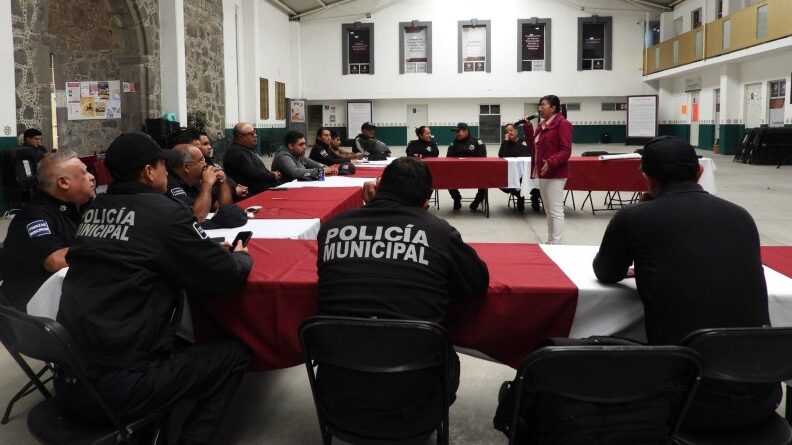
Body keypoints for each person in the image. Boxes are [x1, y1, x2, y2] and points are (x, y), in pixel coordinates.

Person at [57, 132, 252, 445]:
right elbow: (224, 277)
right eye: (163, 165)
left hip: (71, 377)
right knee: (234, 354)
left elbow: (134, 250)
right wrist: (241, 257)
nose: (167, 172)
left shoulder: (94, 209)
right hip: (123, 385)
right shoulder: (164, 212)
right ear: (149, 171)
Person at [593, 136, 779, 430]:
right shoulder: (741, 216)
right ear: (699, 172)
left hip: (686, 402)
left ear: (646, 177)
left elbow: (605, 271)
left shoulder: (634, 217)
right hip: (762, 395)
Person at [316, 156, 489, 439]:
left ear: (378, 185)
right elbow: (475, 284)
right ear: (426, 200)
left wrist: (369, 207)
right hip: (417, 407)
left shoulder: (331, 229)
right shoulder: (438, 231)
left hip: (337, 400)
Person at [0, 152, 95, 311]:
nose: (92, 177)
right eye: (84, 173)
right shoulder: (34, 215)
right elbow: (55, 260)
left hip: (68, 294)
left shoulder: (77, 207)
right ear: (63, 182)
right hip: (33, 308)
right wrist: (104, 247)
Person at [530, 95, 572, 244]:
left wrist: (551, 161)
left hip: (556, 172)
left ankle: (556, 243)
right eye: (539, 105)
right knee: (548, 210)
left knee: (555, 210)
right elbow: (534, 146)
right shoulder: (542, 125)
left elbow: (566, 151)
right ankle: (551, 241)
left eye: (543, 105)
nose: (540, 108)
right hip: (544, 172)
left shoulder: (563, 124)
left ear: (553, 108)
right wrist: (527, 127)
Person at [165, 143, 233, 222]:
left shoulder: (194, 179)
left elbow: (227, 210)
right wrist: (207, 184)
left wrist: (223, 180)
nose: (205, 164)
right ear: (187, 167)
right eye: (201, 160)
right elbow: (196, 217)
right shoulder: (170, 184)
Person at [223, 122, 282, 194]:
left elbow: (258, 169)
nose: (255, 135)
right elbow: (254, 173)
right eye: (251, 134)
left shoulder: (246, 149)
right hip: (253, 193)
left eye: (255, 132)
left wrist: (270, 173)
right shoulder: (235, 152)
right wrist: (273, 175)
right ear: (241, 138)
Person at [498, 122, 540, 213]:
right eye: (507, 131)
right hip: (516, 174)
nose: (509, 132)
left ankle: (535, 198)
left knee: (539, 181)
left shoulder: (525, 141)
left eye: (511, 130)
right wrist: (505, 141)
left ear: (516, 131)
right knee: (516, 181)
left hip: (530, 172)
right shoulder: (506, 144)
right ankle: (520, 197)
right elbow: (501, 156)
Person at [197, 130, 248, 201]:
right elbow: (214, 197)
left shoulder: (208, 161)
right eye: (205, 144)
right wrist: (234, 191)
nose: (210, 147)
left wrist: (236, 186)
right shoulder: (234, 152)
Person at [446, 122, 487, 211]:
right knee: (447, 178)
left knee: (485, 178)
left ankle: (478, 200)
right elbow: (449, 158)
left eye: (458, 131)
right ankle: (456, 198)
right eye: (455, 132)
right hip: (458, 173)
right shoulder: (453, 143)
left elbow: (483, 160)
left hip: (475, 173)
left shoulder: (477, 142)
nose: (456, 134)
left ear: (466, 131)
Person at [272, 131, 337, 182]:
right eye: (301, 144)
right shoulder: (283, 156)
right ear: (290, 146)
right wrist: (320, 171)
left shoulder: (297, 154)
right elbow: (295, 172)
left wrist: (328, 168)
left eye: (304, 144)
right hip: (284, 191)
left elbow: (315, 164)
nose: (305, 147)